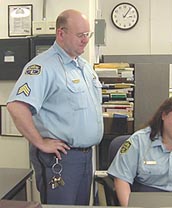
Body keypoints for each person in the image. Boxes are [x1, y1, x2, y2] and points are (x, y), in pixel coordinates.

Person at [7, 9, 103, 205]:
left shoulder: (84, 66)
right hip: (61, 159)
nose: (85, 40)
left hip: (86, 157)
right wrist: (40, 142)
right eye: (80, 35)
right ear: (61, 33)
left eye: (88, 34)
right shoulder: (43, 67)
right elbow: (16, 107)